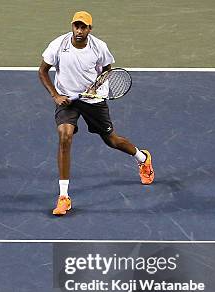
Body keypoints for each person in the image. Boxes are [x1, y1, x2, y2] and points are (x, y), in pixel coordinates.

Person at [38, 11, 154, 216]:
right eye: (76, 26)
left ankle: (142, 157)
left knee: (111, 140)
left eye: (84, 27)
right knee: (64, 137)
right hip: (67, 101)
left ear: (90, 29)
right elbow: (43, 71)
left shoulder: (99, 47)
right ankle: (64, 197)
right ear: (72, 26)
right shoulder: (58, 45)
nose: (79, 30)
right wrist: (55, 95)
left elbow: (107, 70)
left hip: (92, 100)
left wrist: (97, 86)